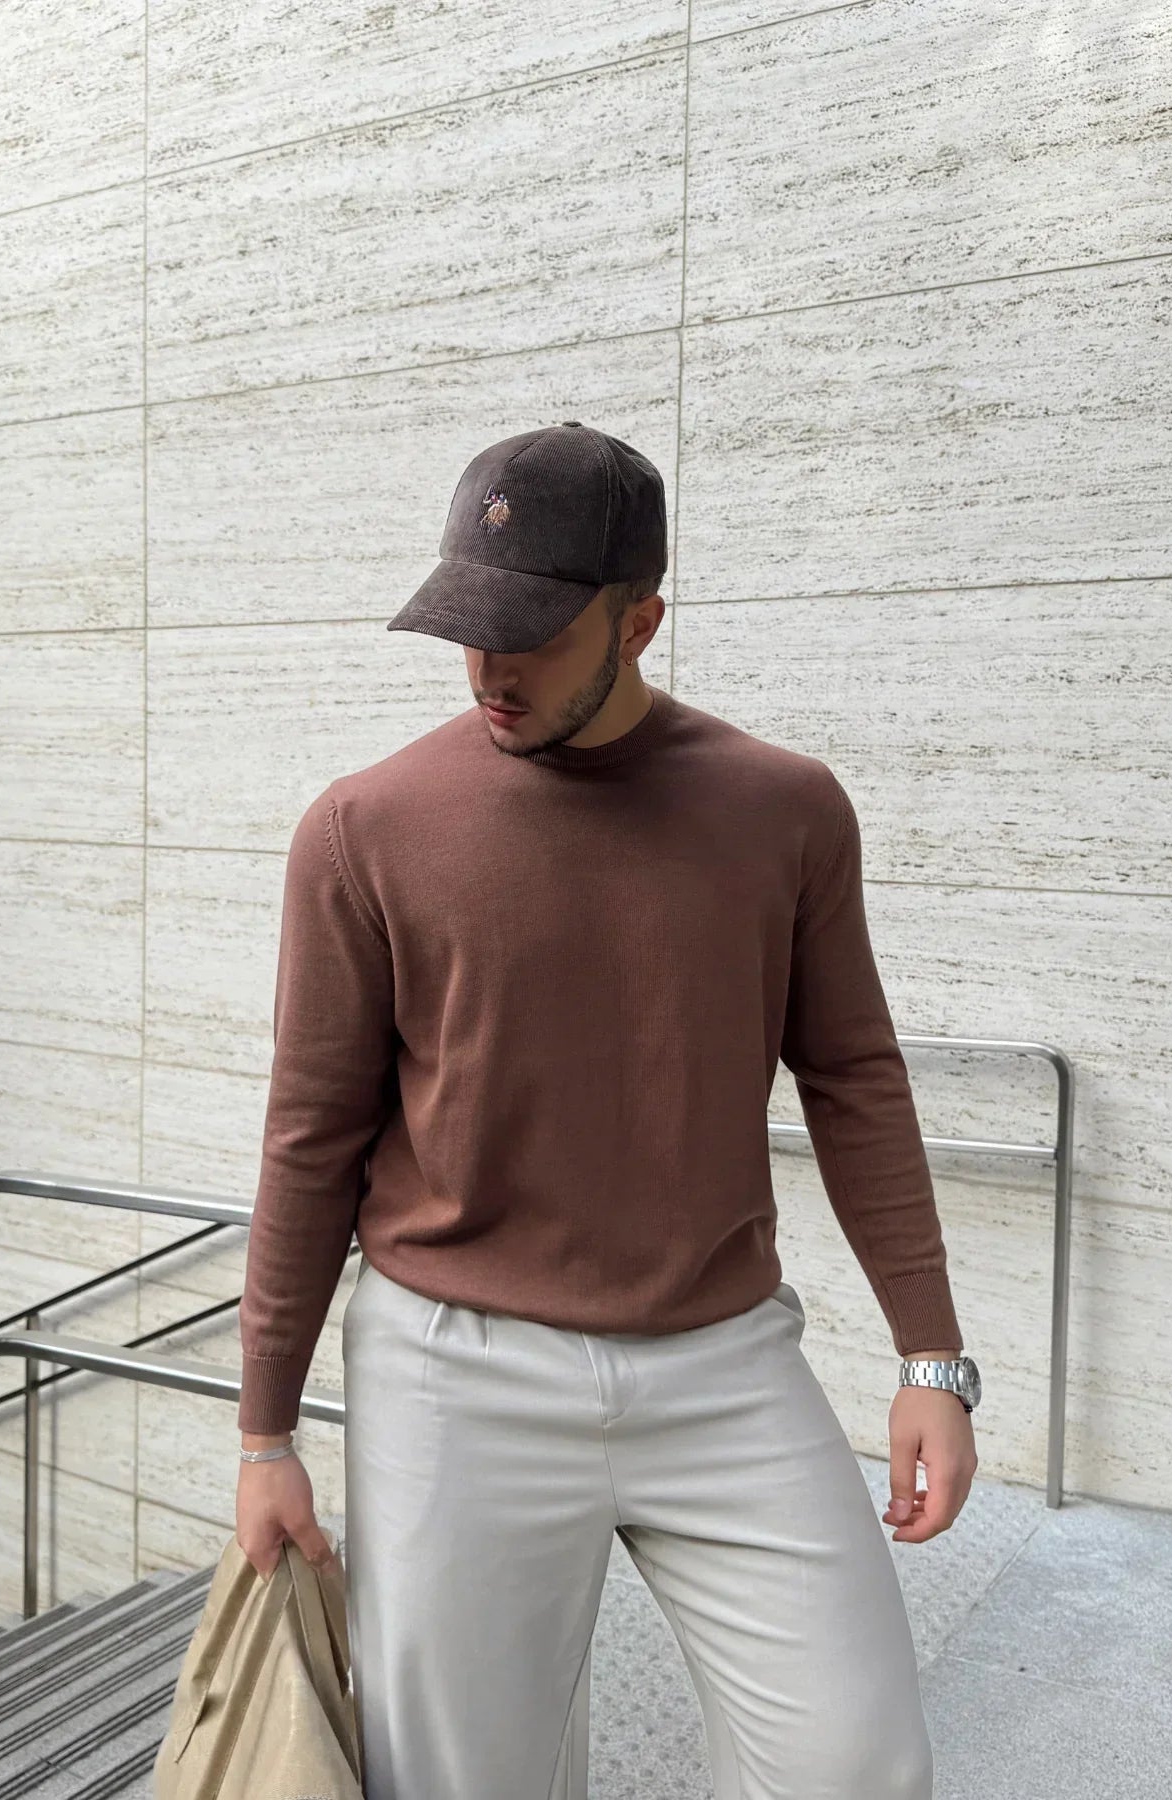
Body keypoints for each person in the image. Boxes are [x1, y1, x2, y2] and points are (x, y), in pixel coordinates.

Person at [234, 422, 981, 1799]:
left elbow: (856, 1078)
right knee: (459, 1782)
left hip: (724, 1361)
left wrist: (929, 1356)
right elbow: (310, 1136)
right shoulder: (364, 829)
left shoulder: (786, 811)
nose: (489, 669)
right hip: (455, 1370)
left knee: (853, 1762)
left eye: (530, 632)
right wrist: (265, 1434)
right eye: (468, 626)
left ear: (641, 620)